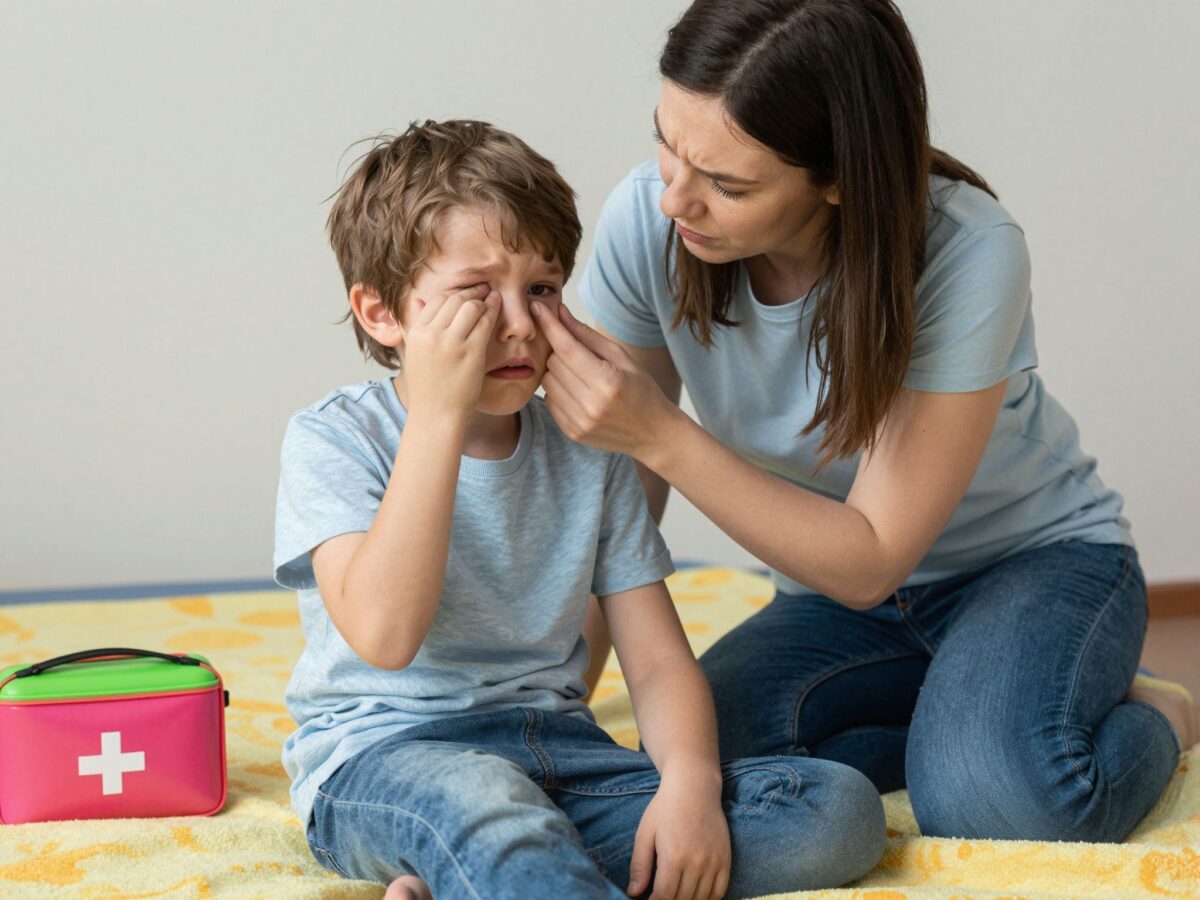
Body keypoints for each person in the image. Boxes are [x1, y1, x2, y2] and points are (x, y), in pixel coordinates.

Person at [533, 0, 1199, 845]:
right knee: (713, 755)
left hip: (1031, 565)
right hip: (841, 601)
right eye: (665, 141)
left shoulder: (968, 250)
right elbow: (610, 507)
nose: (673, 200)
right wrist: (546, 715)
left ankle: (1158, 714)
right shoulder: (654, 221)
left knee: (996, 803)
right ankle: (969, 716)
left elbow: (871, 558)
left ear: (842, 175)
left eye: (727, 185)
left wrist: (658, 431)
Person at [273, 119, 886, 900]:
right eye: (475, 294)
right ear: (382, 313)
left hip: (560, 753)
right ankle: (493, 865)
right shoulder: (336, 438)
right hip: (390, 758)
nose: (521, 323)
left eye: (542, 288)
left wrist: (689, 791)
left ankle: (480, 881)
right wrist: (435, 419)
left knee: (830, 809)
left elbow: (659, 661)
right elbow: (386, 634)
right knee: (488, 809)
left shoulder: (583, 448)